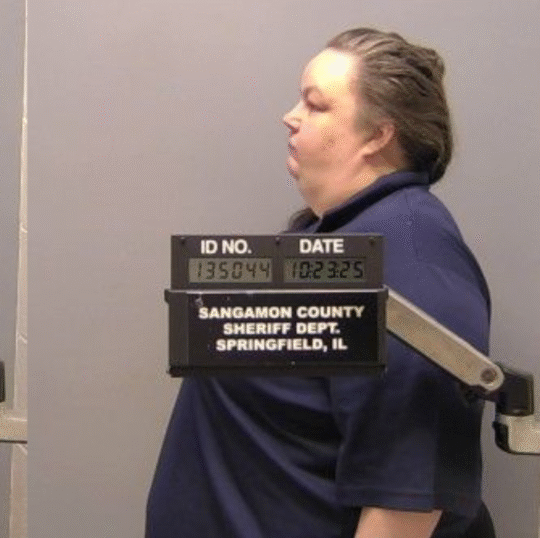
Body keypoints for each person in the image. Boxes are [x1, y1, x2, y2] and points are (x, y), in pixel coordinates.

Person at [146, 28, 495, 538]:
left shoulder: (410, 256)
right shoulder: (336, 240)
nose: (290, 116)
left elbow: (409, 494)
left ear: (377, 136)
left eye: (315, 105)